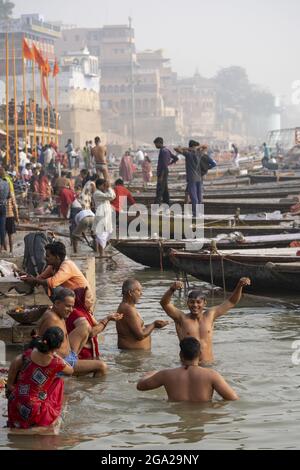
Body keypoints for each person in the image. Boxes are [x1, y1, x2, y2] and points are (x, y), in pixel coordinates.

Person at [160, 278, 251, 365]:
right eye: (192, 302)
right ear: (187, 303)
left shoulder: (210, 315)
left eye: (198, 302)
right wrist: (172, 289)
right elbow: (164, 303)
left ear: (205, 303)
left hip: (208, 364)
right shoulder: (181, 318)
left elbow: (231, 302)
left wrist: (239, 286)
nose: (195, 305)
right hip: (188, 366)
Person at [7, 327, 73, 431]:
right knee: (59, 381)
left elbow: (14, 365)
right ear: (58, 345)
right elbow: (71, 370)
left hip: (15, 402)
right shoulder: (56, 363)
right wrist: (56, 355)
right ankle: (42, 418)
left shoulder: (27, 354)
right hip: (33, 408)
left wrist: (12, 386)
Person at [137, 337, 239, 403]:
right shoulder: (211, 375)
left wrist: (149, 374)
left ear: (180, 355)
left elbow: (140, 386)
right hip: (203, 415)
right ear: (200, 355)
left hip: (175, 414)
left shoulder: (166, 374)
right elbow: (233, 398)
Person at [38, 288, 107, 377]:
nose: (71, 310)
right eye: (67, 306)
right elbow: (45, 347)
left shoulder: (59, 313)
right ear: (57, 303)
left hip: (70, 355)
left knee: (85, 327)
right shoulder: (51, 319)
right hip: (62, 362)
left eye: (72, 306)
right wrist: (65, 366)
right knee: (102, 366)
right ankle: (87, 388)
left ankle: (77, 367)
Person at [22, 241, 95, 312]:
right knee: (46, 283)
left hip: (83, 300)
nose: (45, 258)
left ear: (57, 257)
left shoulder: (67, 265)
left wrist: (34, 280)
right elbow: (40, 278)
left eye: (48, 256)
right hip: (72, 296)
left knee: (53, 286)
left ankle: (64, 310)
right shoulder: (53, 266)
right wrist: (26, 276)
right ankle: (60, 309)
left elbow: (52, 282)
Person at [66, 287, 123, 360]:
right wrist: (107, 319)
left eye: (91, 297)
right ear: (80, 299)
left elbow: (97, 326)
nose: (92, 299)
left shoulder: (86, 312)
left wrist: (109, 318)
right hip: (81, 356)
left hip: (90, 354)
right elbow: (92, 332)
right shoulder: (76, 312)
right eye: (89, 297)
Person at [117, 279, 169, 350]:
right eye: (138, 290)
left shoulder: (128, 307)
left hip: (137, 355)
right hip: (133, 355)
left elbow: (138, 328)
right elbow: (140, 336)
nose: (141, 293)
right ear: (130, 293)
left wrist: (156, 325)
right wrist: (154, 324)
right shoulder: (128, 309)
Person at [175, 140, 203, 217]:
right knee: (199, 196)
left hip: (192, 178)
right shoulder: (199, 153)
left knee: (194, 197)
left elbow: (176, 148)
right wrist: (194, 148)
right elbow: (205, 146)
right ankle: (199, 213)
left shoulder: (188, 154)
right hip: (199, 178)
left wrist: (189, 148)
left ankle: (196, 214)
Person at [93, 179, 116, 257]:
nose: (105, 187)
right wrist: (109, 187)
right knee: (101, 235)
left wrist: (108, 188)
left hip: (106, 217)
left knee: (106, 234)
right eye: (104, 185)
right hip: (101, 217)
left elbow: (113, 196)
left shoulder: (103, 193)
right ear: (99, 186)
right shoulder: (97, 193)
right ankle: (101, 254)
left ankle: (101, 253)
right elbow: (111, 196)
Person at [154, 137, 178, 206]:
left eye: (156, 144)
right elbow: (176, 158)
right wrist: (170, 163)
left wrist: (161, 176)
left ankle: (156, 206)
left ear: (159, 143)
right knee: (164, 189)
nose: (155, 146)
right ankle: (167, 202)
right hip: (165, 171)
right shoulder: (167, 150)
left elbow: (164, 165)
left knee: (159, 190)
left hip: (163, 172)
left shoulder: (163, 151)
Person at [0, 167, 10, 253]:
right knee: (2, 227)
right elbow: (9, 196)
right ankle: (1, 245)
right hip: (3, 206)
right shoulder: (6, 183)